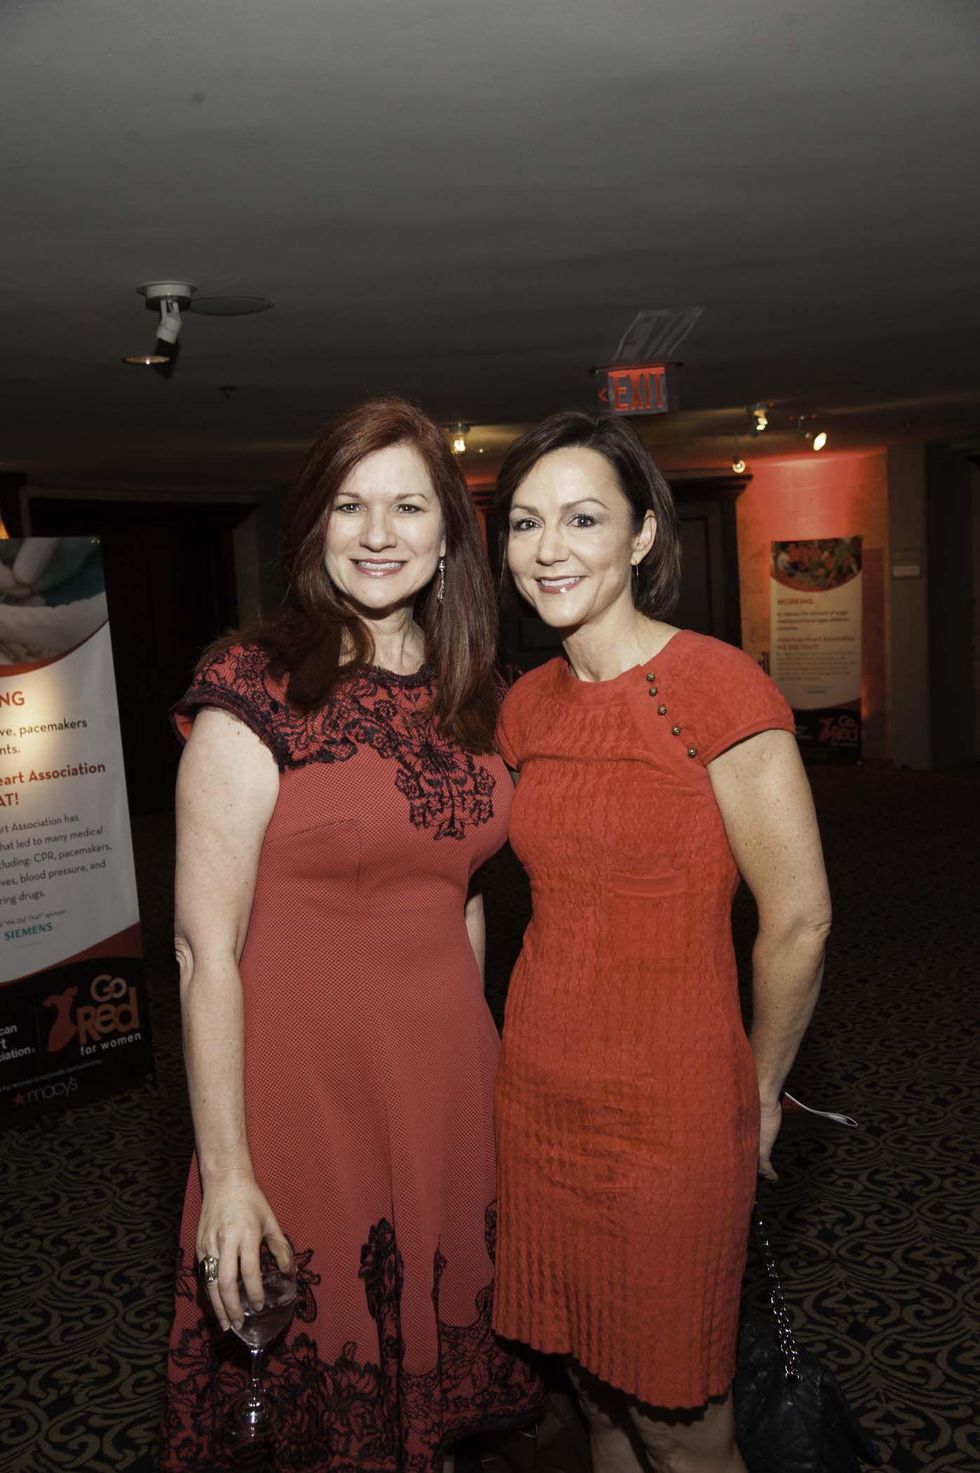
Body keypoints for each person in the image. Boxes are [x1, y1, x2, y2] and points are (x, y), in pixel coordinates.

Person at [160, 397, 542, 1473]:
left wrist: (484, 1079)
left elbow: (464, 889)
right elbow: (202, 951)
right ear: (314, 529)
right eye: (349, 505)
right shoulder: (253, 690)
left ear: (446, 536)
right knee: (316, 1407)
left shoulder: (478, 699)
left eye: (407, 506)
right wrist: (228, 1171)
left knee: (429, 1407)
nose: (378, 533)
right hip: (301, 1095)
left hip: (442, 1087)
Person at [490, 411, 832, 1473]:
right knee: (593, 1399)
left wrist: (759, 1093)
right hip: (539, 1098)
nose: (548, 549)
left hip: (675, 1112)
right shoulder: (523, 707)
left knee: (682, 1428)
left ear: (641, 536)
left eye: (582, 518)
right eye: (523, 523)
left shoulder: (714, 688)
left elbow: (799, 917)